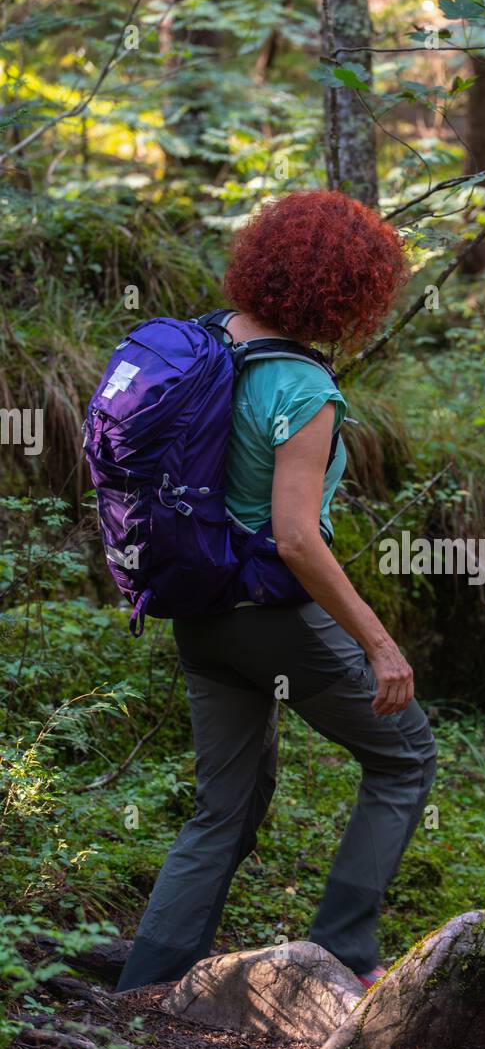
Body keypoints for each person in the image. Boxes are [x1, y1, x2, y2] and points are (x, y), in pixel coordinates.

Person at [116, 190, 437, 993]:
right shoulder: (302, 389)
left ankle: (148, 988)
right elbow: (296, 538)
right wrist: (379, 641)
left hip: (198, 613)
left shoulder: (206, 343)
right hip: (273, 621)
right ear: (348, 289)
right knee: (404, 760)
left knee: (223, 806)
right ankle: (344, 952)